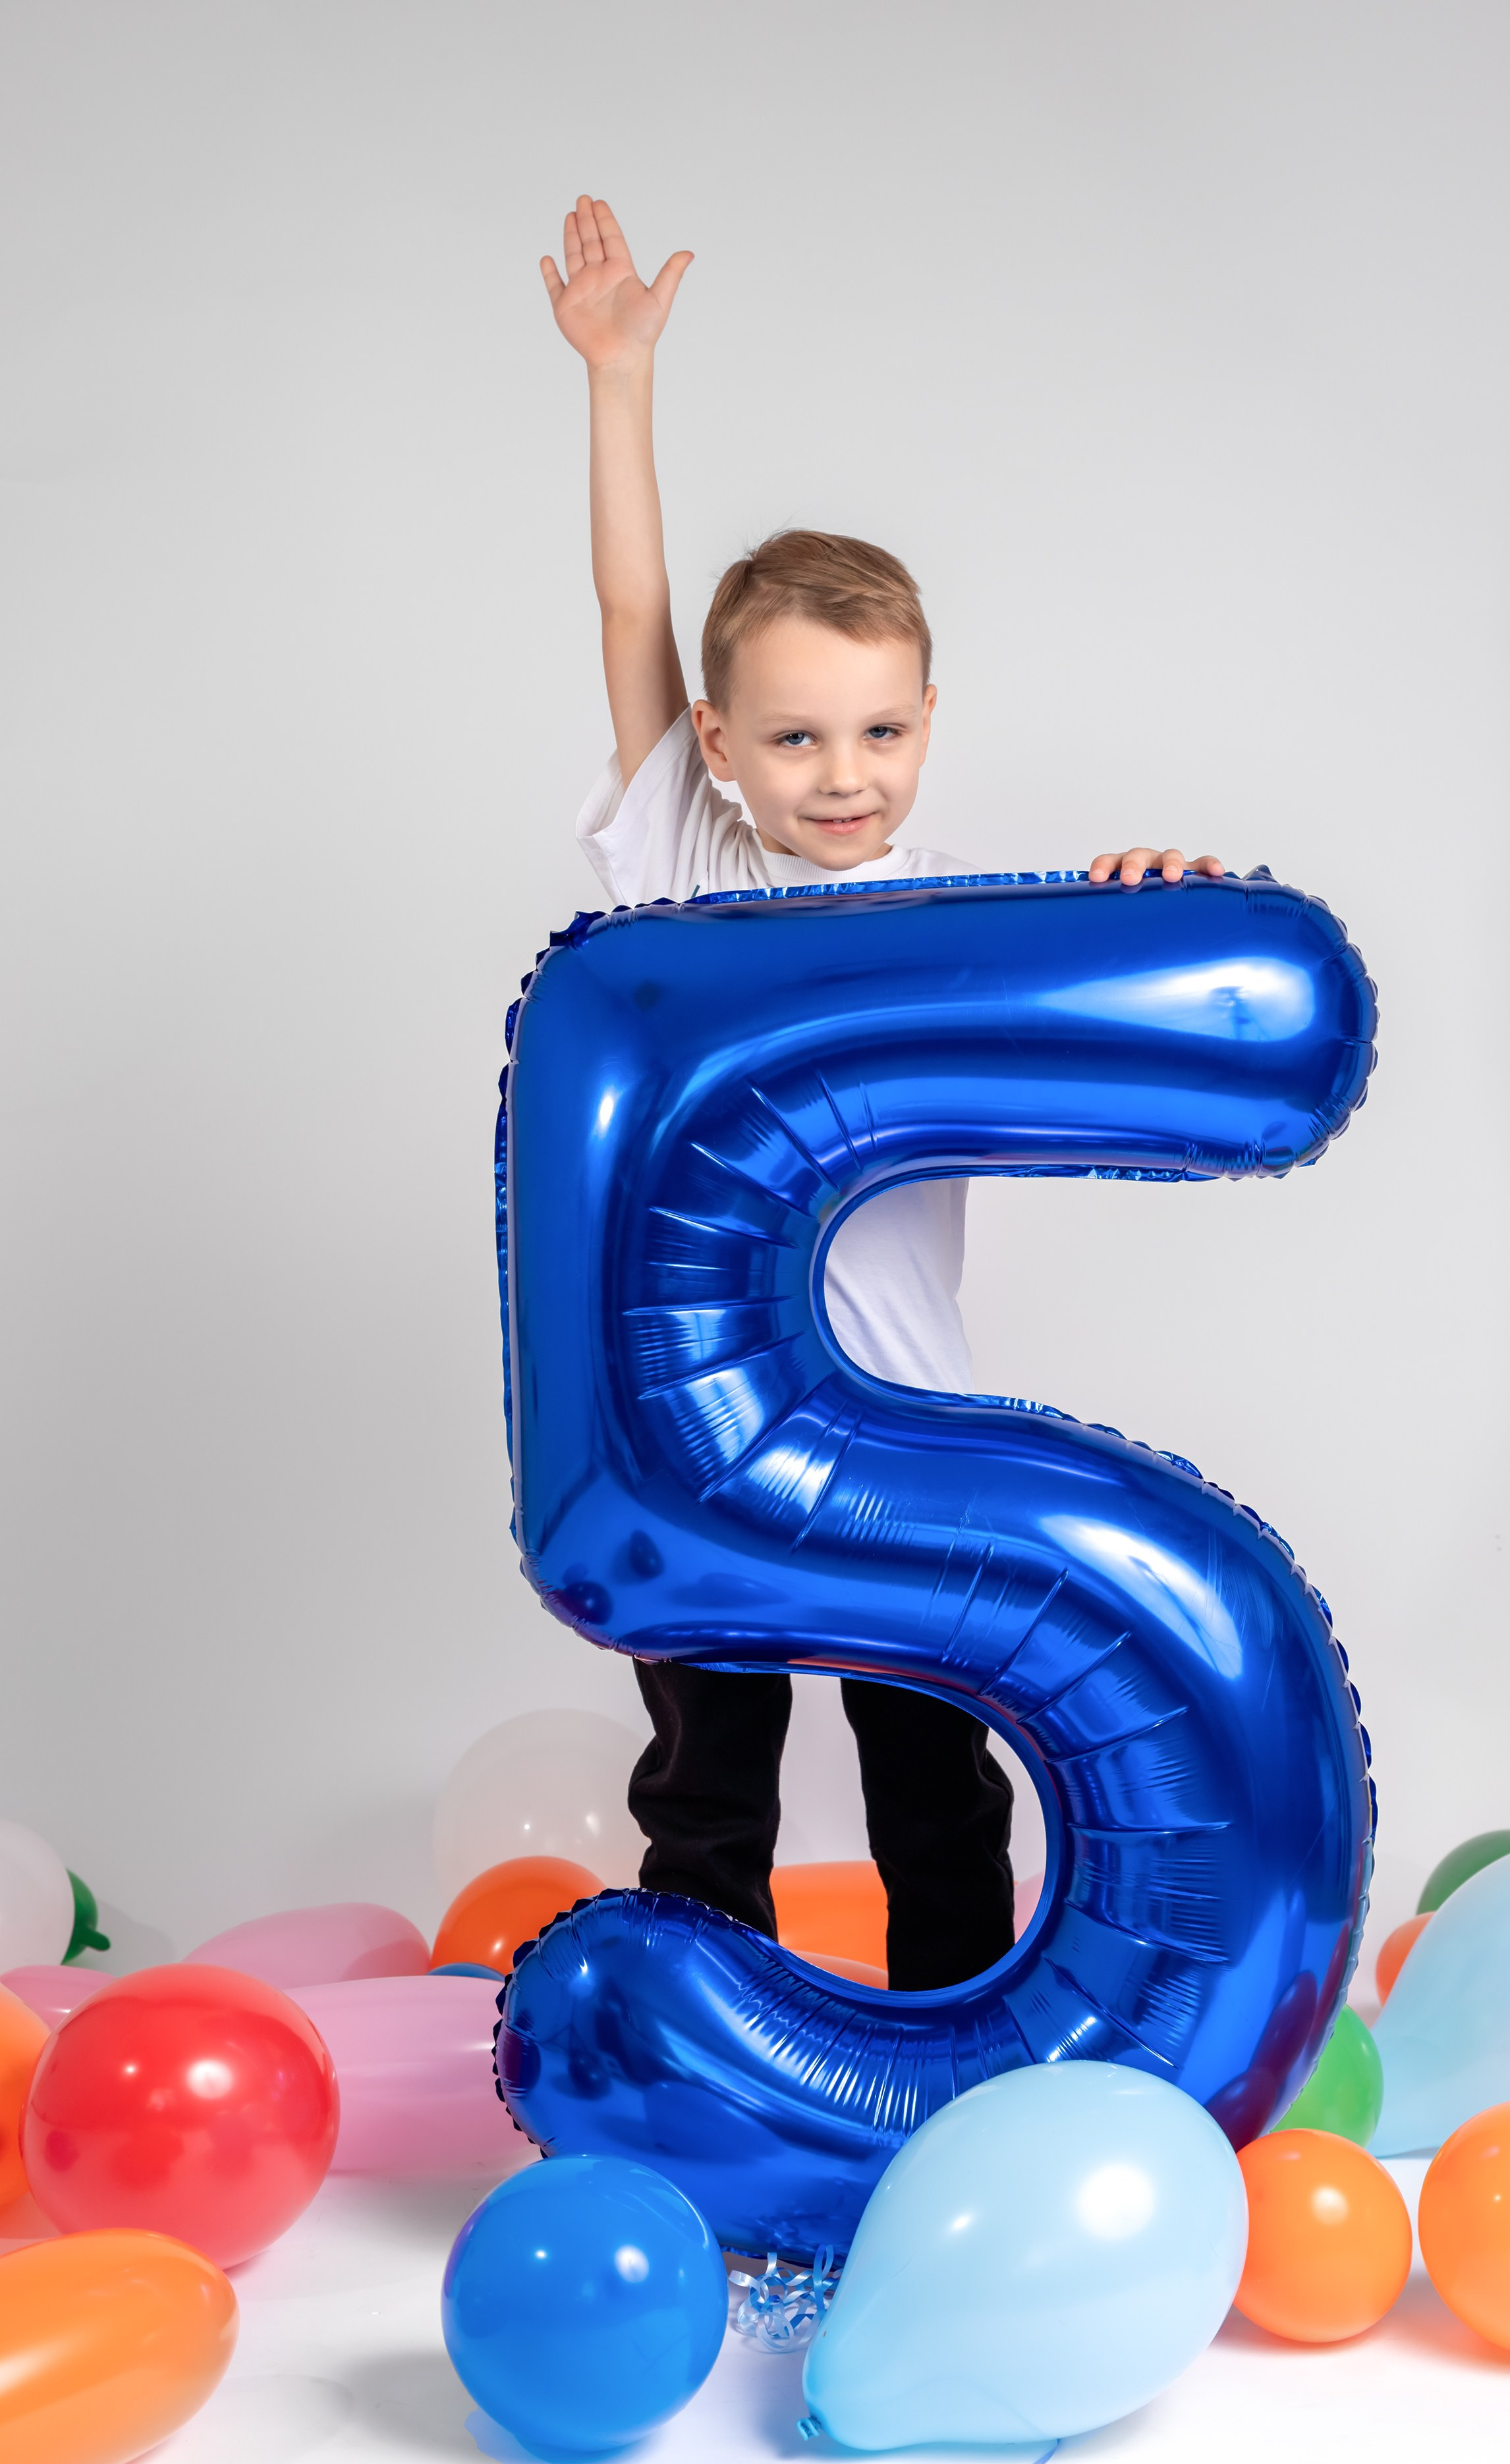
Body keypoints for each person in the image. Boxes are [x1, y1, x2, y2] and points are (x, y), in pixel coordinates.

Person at [542, 194, 1225, 1991]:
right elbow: (631, 605)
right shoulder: (680, 858)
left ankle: (951, 2052)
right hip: (694, 1425)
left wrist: (1158, 899)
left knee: (937, 1778)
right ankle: (711, 2054)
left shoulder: (956, 919)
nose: (840, 776)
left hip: (903, 1423)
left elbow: (1112, 980)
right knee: (710, 1780)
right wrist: (621, 384)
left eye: (878, 731)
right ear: (714, 744)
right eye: (791, 735)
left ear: (930, 720)